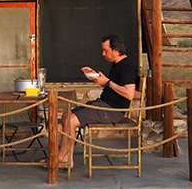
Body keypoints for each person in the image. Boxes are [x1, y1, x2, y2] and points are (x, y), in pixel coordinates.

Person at [58, 34, 137, 168]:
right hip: (103, 104)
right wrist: (96, 76)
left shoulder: (126, 66)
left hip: (113, 110)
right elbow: (111, 86)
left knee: (71, 120)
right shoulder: (117, 64)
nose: (103, 53)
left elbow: (129, 94)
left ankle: (60, 159)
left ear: (116, 50)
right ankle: (67, 159)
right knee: (66, 116)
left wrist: (107, 82)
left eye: (106, 50)